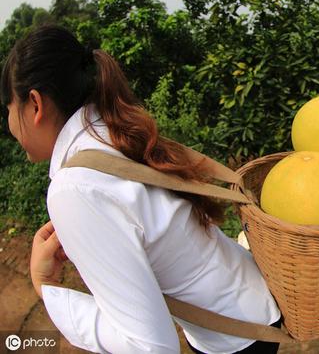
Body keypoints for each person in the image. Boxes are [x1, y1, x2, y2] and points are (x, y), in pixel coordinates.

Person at [1, 25, 281, 354]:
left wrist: (46, 288)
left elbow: (148, 346)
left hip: (235, 339)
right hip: (252, 308)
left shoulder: (74, 188)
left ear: (34, 104)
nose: (8, 123)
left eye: (7, 109)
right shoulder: (113, 132)